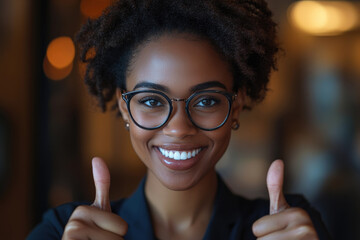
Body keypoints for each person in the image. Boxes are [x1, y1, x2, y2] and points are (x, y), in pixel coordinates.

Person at [28, 0, 331, 239]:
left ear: (236, 105)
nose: (178, 128)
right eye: (151, 101)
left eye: (207, 101)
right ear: (124, 108)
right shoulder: (64, 232)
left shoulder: (290, 230)